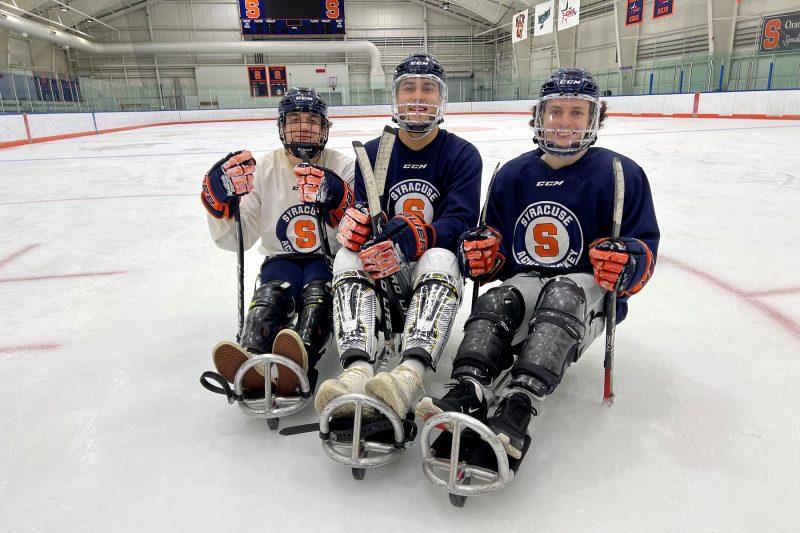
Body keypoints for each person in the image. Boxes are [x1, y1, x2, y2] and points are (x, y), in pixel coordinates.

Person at [416, 67, 660, 461]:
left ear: (596, 119)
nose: (565, 122)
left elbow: (643, 251)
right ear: (539, 116)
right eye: (556, 111)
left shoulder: (621, 174)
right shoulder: (512, 174)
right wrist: (481, 257)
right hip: (530, 281)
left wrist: (628, 261)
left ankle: (520, 403)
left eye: (577, 113)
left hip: (583, 292)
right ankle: (468, 388)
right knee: (495, 302)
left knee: (561, 295)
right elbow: (493, 255)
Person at [313, 53, 482, 420]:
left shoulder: (463, 154)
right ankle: (356, 370)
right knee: (345, 257)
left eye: (428, 89)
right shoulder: (373, 153)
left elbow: (462, 221)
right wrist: (357, 228)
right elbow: (362, 207)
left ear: (442, 98)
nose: (418, 97)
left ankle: (409, 376)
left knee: (442, 256)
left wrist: (417, 237)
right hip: (385, 272)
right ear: (396, 96)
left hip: (432, 272)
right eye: (409, 88)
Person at [201, 87, 355, 397]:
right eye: (294, 120)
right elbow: (236, 238)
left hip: (323, 262)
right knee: (269, 300)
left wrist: (337, 199)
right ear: (281, 126)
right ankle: (252, 358)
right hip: (280, 262)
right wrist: (218, 202)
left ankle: (299, 364)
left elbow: (356, 232)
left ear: (324, 127)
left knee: (318, 300)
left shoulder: (343, 166)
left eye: (312, 120)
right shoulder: (263, 169)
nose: (303, 127)